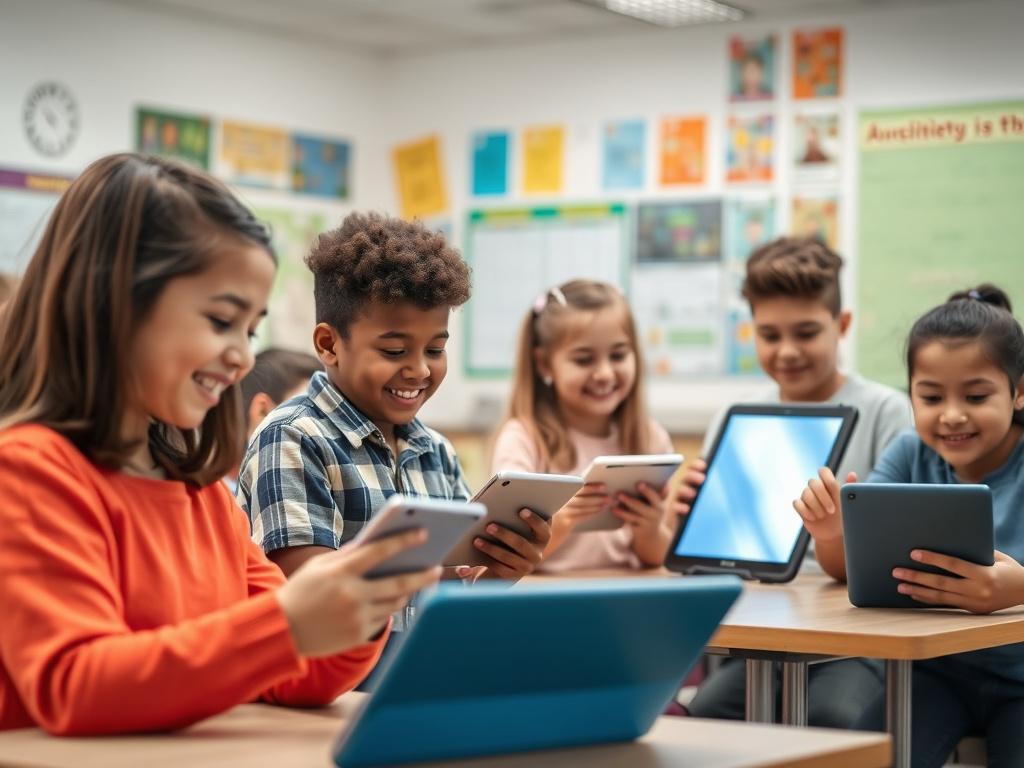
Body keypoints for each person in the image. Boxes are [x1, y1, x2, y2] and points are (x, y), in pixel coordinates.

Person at [0, 154, 438, 735]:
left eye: (251, 328)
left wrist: (361, 607)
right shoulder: (29, 472)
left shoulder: (200, 492)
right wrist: (285, 625)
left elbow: (291, 673)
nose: (244, 355)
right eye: (220, 320)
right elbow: (77, 684)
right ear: (115, 304)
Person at [238, 212, 550, 584]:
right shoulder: (292, 439)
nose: (419, 370)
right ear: (329, 344)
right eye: (394, 351)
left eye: (434, 350)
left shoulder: (437, 453)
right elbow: (314, 600)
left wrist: (497, 572)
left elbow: (451, 604)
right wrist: (421, 569)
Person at [683, 236, 911, 728]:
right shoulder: (733, 415)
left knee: (831, 718)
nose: (787, 351)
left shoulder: (886, 413)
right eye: (769, 335)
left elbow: (893, 558)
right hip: (761, 629)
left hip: (856, 639)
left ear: (842, 325)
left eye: (806, 332)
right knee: (705, 715)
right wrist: (688, 517)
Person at [796, 284, 1024, 767]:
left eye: (977, 395)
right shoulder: (908, 452)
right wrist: (834, 534)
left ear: (1019, 390)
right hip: (932, 673)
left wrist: (1018, 587)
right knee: (865, 758)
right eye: (931, 396)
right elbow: (852, 573)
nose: (952, 414)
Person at [491, 280, 686, 572]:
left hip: (625, 603)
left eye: (618, 355)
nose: (605, 373)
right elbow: (506, 555)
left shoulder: (649, 438)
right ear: (544, 364)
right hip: (543, 604)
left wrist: (650, 528)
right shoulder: (524, 439)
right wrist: (563, 520)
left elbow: (655, 557)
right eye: (584, 360)